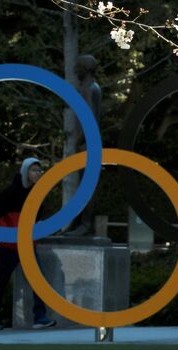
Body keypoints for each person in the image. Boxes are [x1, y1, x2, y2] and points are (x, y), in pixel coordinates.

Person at [0, 157, 56, 330]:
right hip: (10, 245)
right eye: (34, 170)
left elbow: (37, 218)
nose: (38, 173)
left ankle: (40, 316)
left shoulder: (38, 193)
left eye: (39, 170)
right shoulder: (10, 192)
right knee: (2, 280)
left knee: (38, 280)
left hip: (28, 244)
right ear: (25, 171)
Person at [64, 54, 103, 236]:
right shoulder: (90, 87)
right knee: (84, 186)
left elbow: (89, 120)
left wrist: (78, 141)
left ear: (85, 69)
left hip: (88, 146)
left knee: (87, 186)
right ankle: (79, 222)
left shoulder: (89, 89)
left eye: (77, 67)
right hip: (88, 146)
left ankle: (85, 224)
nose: (75, 71)